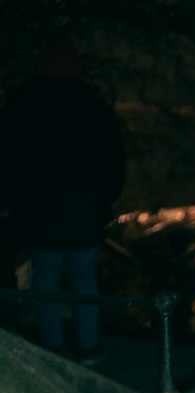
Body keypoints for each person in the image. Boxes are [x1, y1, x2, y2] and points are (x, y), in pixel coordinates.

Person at [0, 36, 126, 362]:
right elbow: (114, 159)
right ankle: (88, 345)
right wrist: (106, 200)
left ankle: (52, 345)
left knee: (45, 277)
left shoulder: (21, 102)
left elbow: (8, 158)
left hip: (39, 209)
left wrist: (12, 201)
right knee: (84, 278)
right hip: (85, 210)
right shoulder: (93, 106)